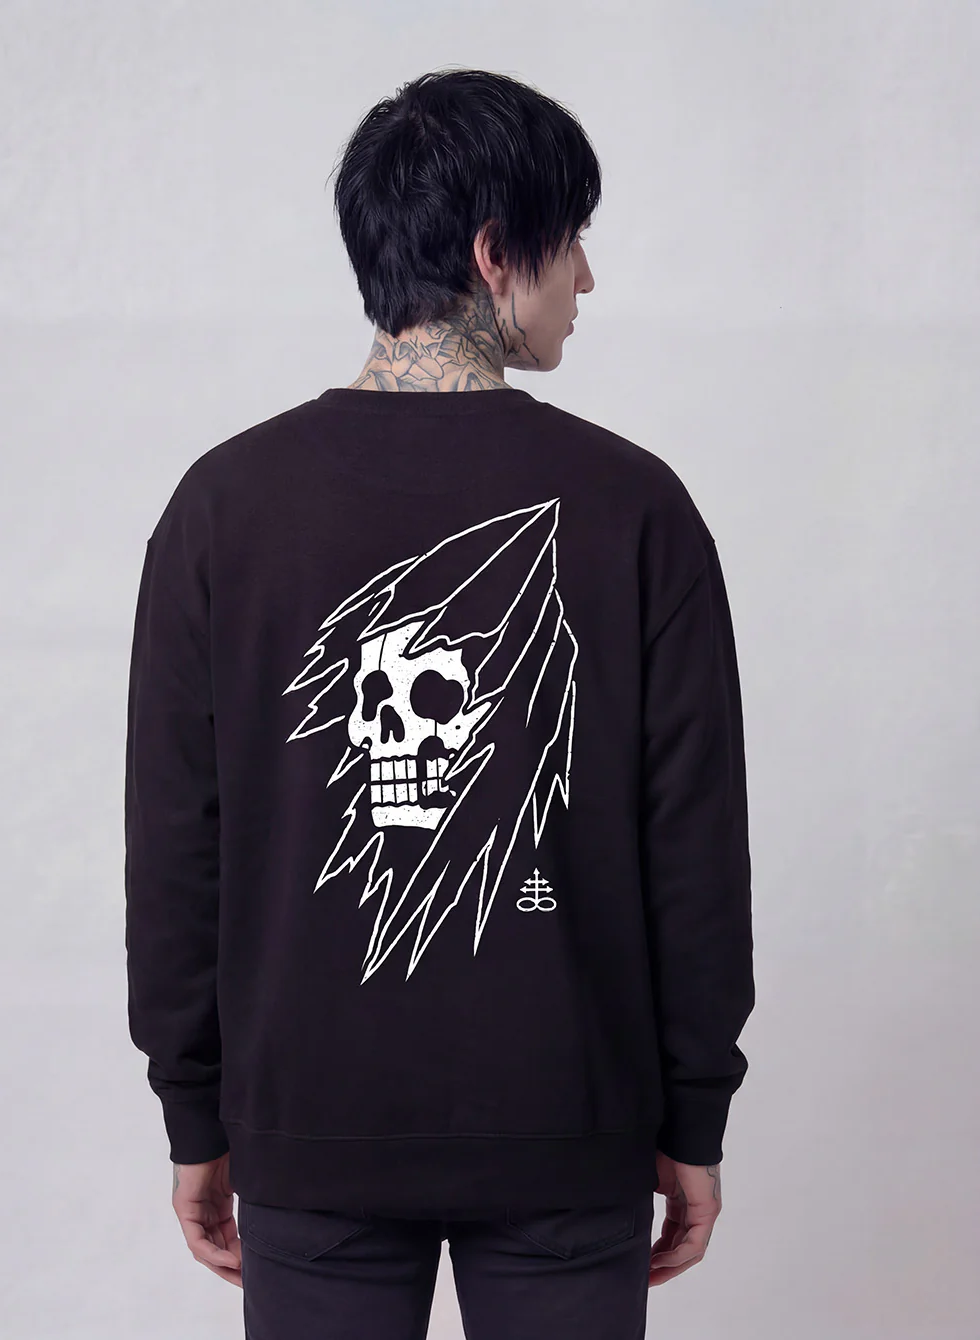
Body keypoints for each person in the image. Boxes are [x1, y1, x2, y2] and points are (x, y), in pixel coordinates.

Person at [124, 67, 755, 1340]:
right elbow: (693, 849)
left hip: (311, 1123)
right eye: (573, 240)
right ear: (494, 250)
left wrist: (197, 1111)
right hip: (568, 1121)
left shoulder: (223, 508)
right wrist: (692, 1116)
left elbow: (177, 845)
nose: (588, 279)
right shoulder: (635, 506)